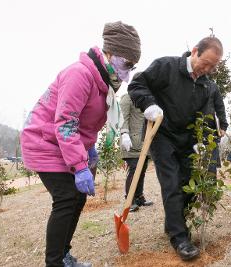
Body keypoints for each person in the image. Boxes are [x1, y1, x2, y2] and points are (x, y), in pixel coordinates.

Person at [20, 21, 141, 267]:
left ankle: (63, 255)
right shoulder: (80, 74)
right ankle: (55, 263)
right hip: (44, 142)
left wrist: (89, 148)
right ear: (110, 53)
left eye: (132, 66)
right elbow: (65, 122)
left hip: (62, 143)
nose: (127, 74)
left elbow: (85, 124)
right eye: (126, 64)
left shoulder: (103, 83)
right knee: (66, 198)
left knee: (78, 198)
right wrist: (79, 164)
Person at [128, 36, 223, 261]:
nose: (207, 69)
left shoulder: (206, 84)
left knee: (188, 184)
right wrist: (149, 104)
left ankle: (173, 223)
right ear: (195, 51)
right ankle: (179, 238)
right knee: (171, 184)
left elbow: (207, 113)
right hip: (161, 135)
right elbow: (136, 84)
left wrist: (203, 138)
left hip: (187, 139)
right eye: (205, 62)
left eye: (213, 66)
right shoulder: (166, 66)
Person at [119, 79, 154, 212]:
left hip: (143, 143)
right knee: (134, 170)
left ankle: (139, 197)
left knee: (142, 170)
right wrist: (124, 134)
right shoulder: (127, 98)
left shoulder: (144, 99)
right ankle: (130, 199)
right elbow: (123, 118)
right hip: (131, 142)